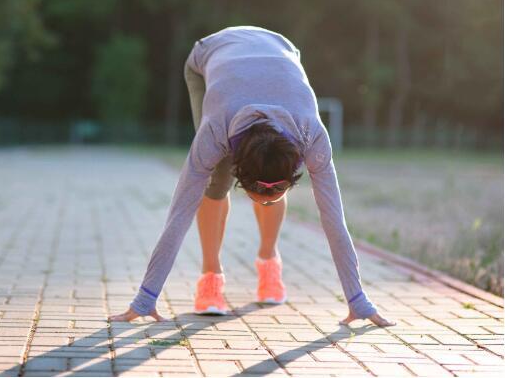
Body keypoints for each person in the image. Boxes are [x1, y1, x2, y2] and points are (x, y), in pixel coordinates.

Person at [109, 26, 396, 327]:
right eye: (262, 192)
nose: (270, 196)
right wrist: (145, 298)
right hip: (209, 53)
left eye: (279, 189)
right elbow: (179, 213)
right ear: (242, 177)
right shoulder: (216, 130)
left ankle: (269, 261)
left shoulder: (312, 134)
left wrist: (357, 300)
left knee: (268, 173)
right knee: (214, 181)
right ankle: (210, 276)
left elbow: (334, 219)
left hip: (280, 48)